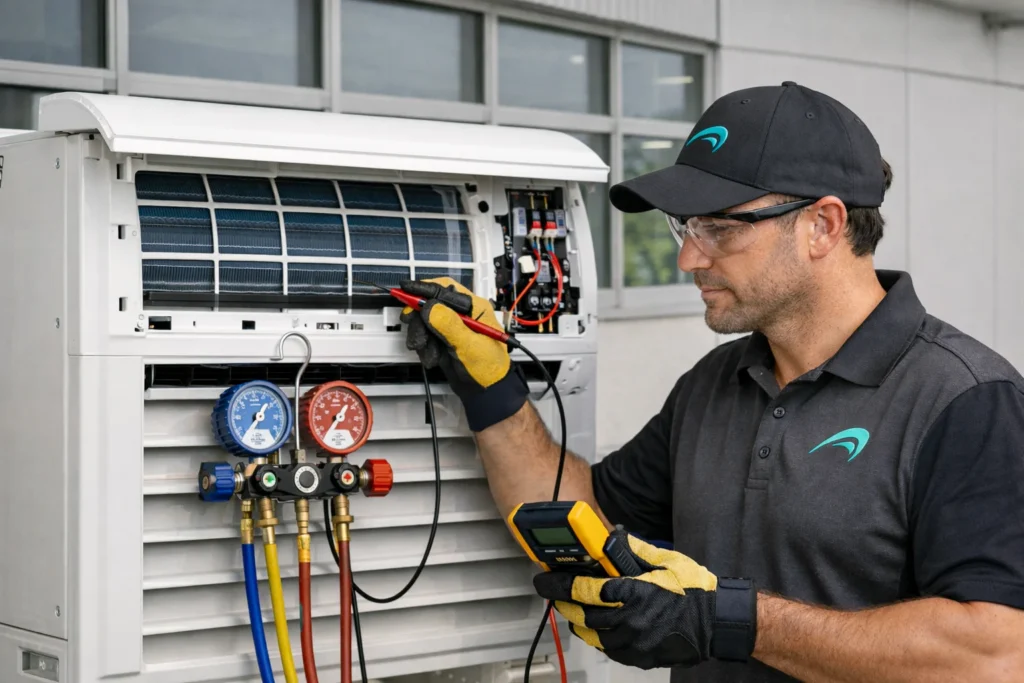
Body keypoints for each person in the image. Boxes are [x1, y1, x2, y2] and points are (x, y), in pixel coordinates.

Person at [398, 81, 1024, 682]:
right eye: (685, 227)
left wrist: (731, 622)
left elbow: (995, 656)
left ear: (824, 227)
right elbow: (579, 516)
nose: (688, 258)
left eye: (718, 229)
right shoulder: (716, 383)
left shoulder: (966, 400)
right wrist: (491, 387)